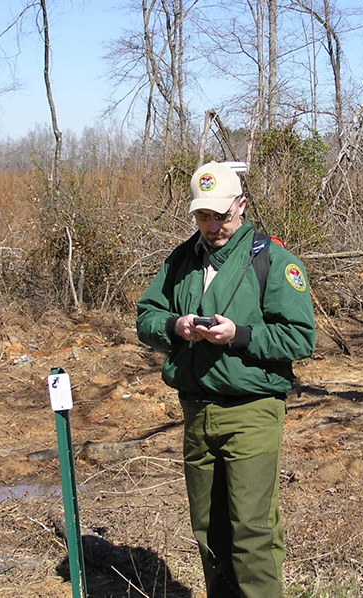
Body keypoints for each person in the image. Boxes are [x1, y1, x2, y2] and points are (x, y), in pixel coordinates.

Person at [136, 161, 316, 598]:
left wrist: (240, 335)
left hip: (252, 412)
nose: (213, 225)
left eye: (222, 215)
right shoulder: (181, 259)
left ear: (242, 204)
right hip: (197, 412)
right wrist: (174, 327)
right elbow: (146, 317)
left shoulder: (273, 259)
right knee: (209, 532)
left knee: (252, 530)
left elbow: (300, 336)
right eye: (203, 216)